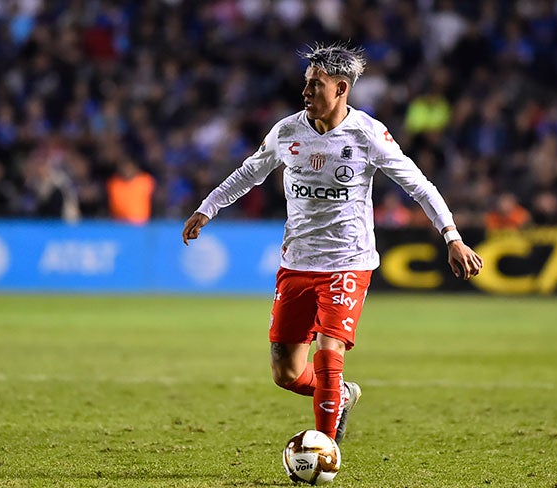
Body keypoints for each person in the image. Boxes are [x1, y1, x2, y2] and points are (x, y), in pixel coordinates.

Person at [181, 43, 483, 444]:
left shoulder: (368, 135)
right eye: (306, 83)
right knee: (286, 373)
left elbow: (420, 187)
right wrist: (208, 208)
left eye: (316, 85)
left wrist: (452, 237)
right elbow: (248, 173)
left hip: (348, 261)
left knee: (329, 353)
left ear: (342, 89)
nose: (306, 92)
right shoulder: (287, 131)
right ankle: (339, 396)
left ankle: (326, 453)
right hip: (297, 262)